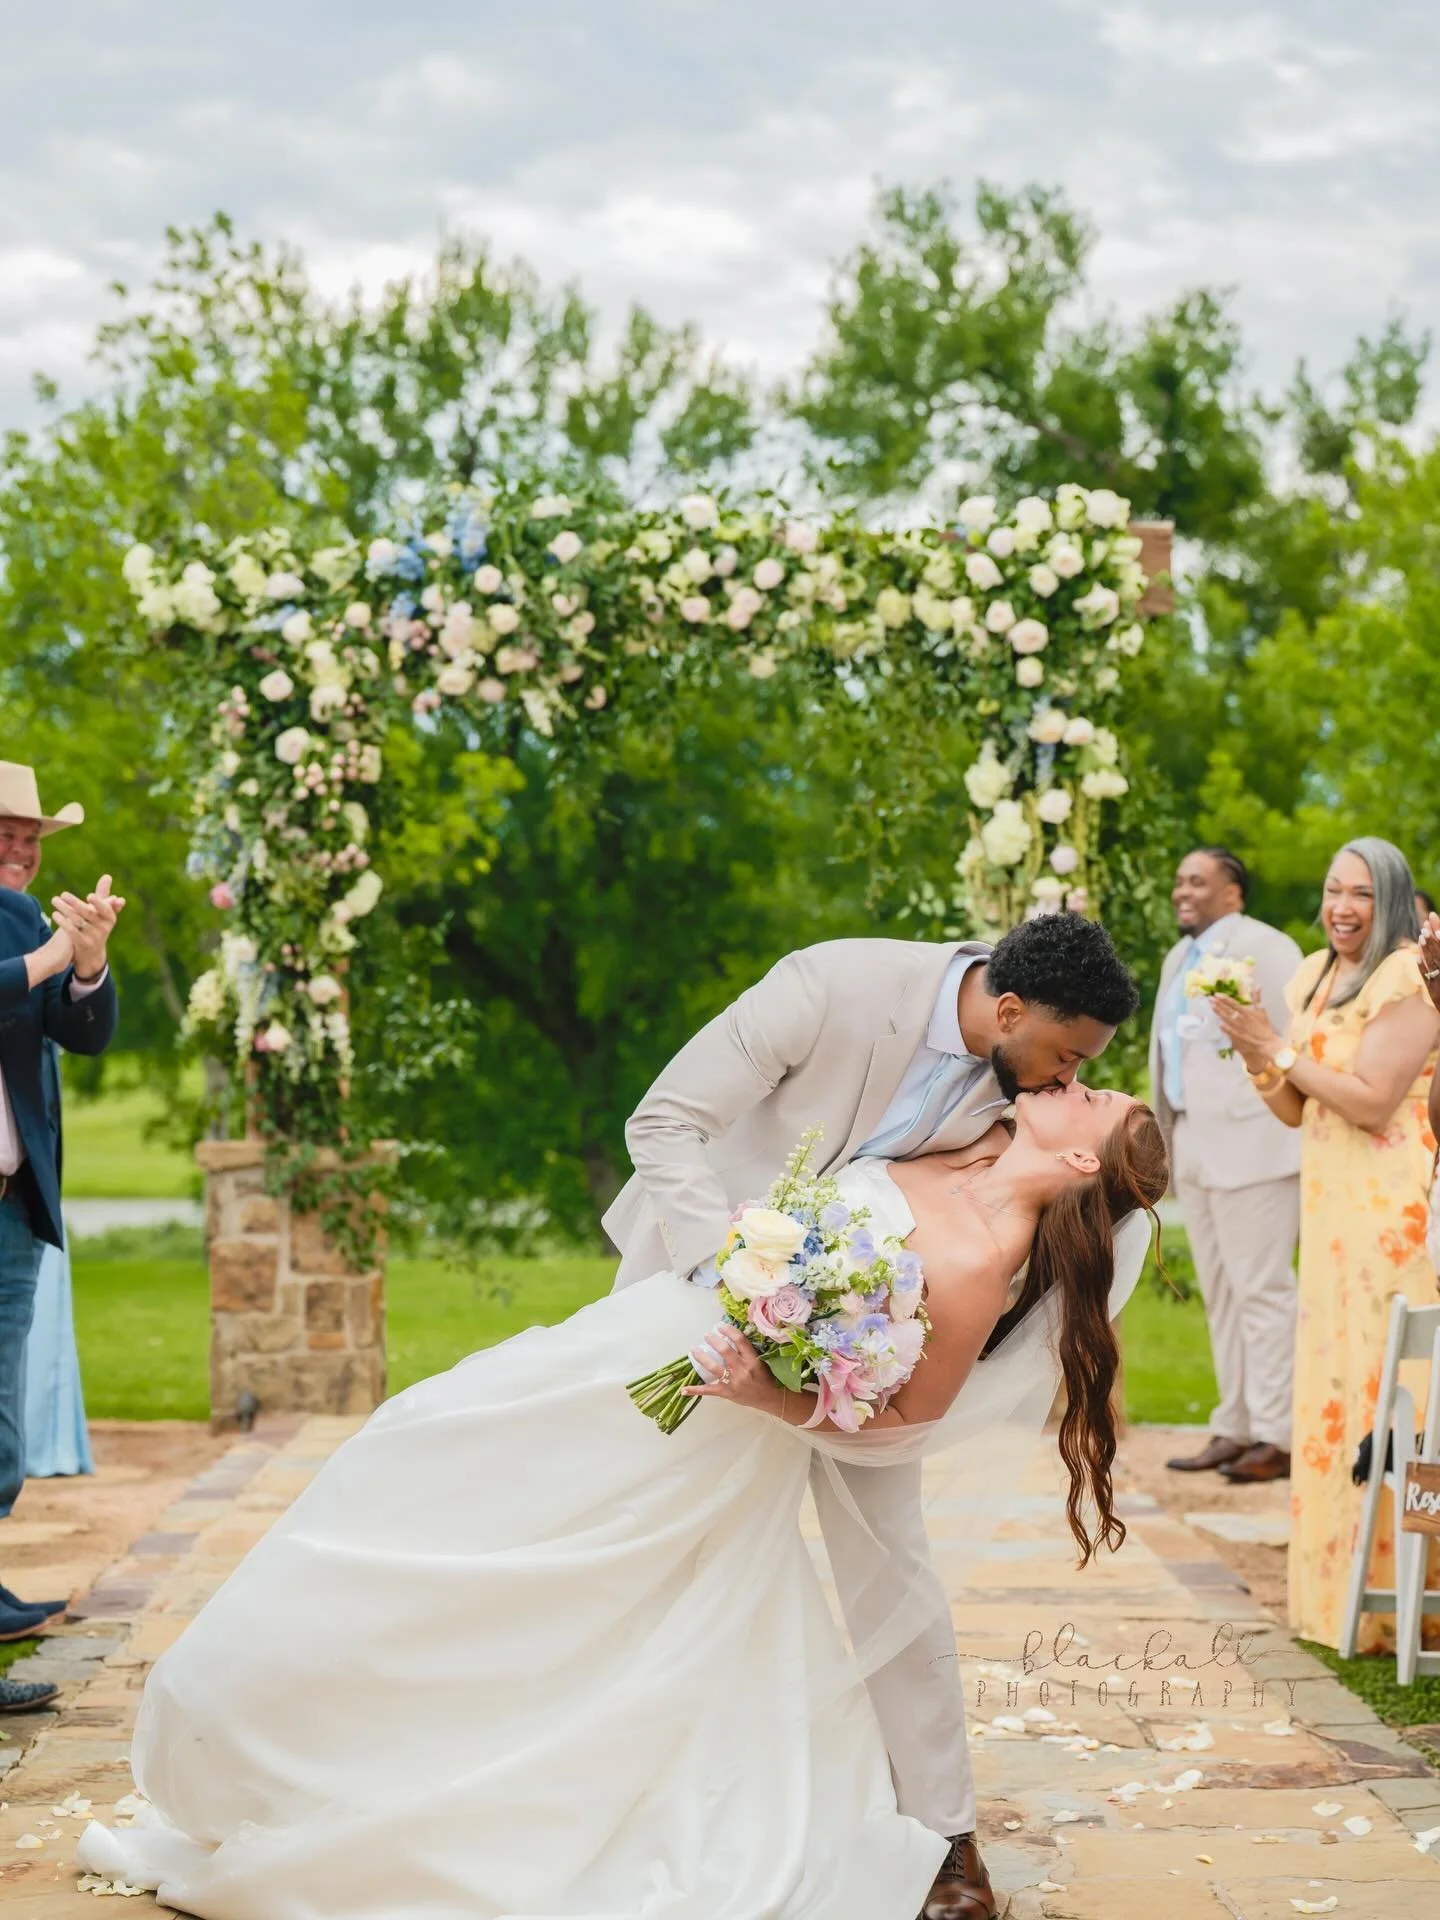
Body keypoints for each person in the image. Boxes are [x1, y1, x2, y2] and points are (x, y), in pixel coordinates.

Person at [78, 1083, 1168, 1919]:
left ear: (1078, 1158)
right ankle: (291, 1728)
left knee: (550, 1571)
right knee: (426, 1441)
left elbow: (897, 1426)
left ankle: (416, 1777)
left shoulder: (984, 1256)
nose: (1073, 1081)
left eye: (1092, 1096)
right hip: (644, 1342)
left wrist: (770, 1387)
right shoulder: (959, 1135)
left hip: (709, 1416)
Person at [604, 913, 1141, 1920]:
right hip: (702, 1306)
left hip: (869, 1348)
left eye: (1082, 1072)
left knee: (892, 1568)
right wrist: (726, 1278)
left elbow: (1053, 1194)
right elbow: (663, 1123)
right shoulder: (828, 987)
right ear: (1011, 1009)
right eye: (1065, 1057)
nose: (1064, 1081)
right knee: (654, 1547)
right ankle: (638, 1789)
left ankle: (947, 1838)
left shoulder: (1029, 1098)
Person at [1214, 838, 1440, 1651]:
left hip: (1392, 1217)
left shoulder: (1406, 978)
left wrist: (1278, 1047)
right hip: (1330, 1213)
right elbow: (1296, 1109)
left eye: (1362, 895)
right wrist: (1252, 1047)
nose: (1342, 907)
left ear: (1392, 901)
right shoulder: (1312, 972)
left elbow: (1375, 1103)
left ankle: (1399, 1600)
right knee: (1333, 1394)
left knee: (1387, 1391)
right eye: (1333, 890)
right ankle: (1335, 1594)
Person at [0, 764, 122, 1710]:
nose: (21, 852)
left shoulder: (26, 924)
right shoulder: (19, 935)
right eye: (5, 835)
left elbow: (80, 1035)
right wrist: (48, 957)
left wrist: (86, 961)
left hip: (7, 1204)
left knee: (1, 1424)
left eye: (31, 840)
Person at [1149, 848, 1302, 1483]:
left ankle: (1280, 1433)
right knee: (1220, 1293)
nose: (1184, 891)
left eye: (1198, 881)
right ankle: (1235, 1424)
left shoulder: (1266, 947)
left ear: (1233, 892)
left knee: (1263, 1290)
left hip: (1257, 1142)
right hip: (1193, 1142)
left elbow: (1295, 1040)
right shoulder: (1176, 958)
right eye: (1180, 881)